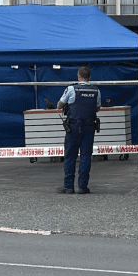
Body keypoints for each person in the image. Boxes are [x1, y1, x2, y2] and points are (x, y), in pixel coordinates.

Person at [57, 66, 100, 195]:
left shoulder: (71, 89)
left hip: (74, 126)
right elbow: (97, 107)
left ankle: (68, 187)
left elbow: (60, 105)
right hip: (89, 126)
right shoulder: (96, 90)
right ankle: (82, 186)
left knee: (70, 155)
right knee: (86, 156)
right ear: (89, 77)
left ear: (78, 75)